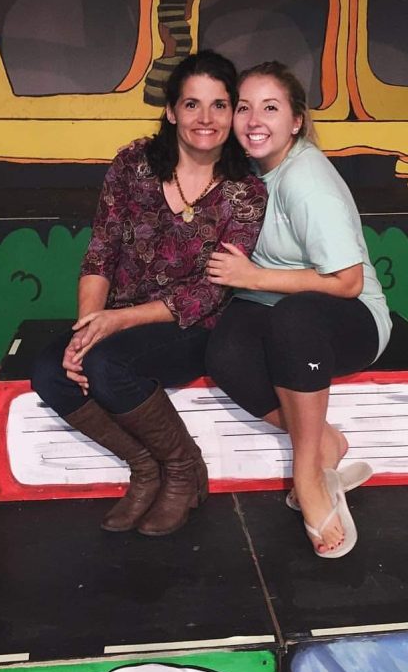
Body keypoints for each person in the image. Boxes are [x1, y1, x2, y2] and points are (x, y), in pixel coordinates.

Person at [31, 51, 267, 537]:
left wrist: (114, 327)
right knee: (49, 371)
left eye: (219, 106)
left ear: (232, 113)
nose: (205, 119)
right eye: (192, 104)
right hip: (119, 318)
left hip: (193, 327)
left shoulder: (246, 191)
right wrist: (87, 327)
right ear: (171, 111)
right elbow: (102, 249)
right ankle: (146, 467)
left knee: (107, 365)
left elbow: (212, 289)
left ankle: (182, 470)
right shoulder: (132, 165)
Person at [206, 62, 391, 558]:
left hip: (348, 317)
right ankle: (327, 443)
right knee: (221, 349)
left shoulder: (305, 178)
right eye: (243, 107)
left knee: (295, 319)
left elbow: (347, 283)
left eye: (271, 107)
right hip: (271, 301)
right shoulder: (248, 170)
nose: (253, 119)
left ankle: (307, 477)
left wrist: (253, 278)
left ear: (296, 121)